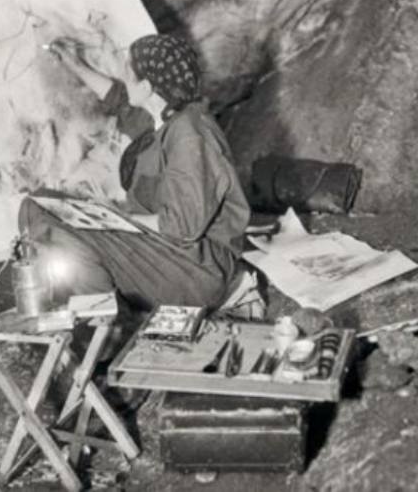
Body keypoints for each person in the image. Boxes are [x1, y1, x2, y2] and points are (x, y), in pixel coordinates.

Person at [18, 33, 251, 314]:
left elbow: (182, 227)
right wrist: (75, 65)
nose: (122, 76)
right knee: (38, 203)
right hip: (166, 250)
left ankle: (104, 329)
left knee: (61, 232)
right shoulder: (162, 115)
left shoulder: (190, 134)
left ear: (148, 86)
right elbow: (119, 99)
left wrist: (115, 216)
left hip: (195, 270)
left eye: (128, 71)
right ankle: (88, 306)